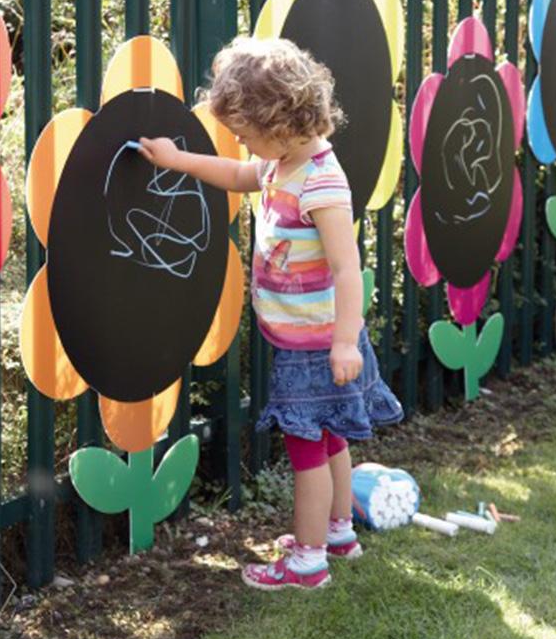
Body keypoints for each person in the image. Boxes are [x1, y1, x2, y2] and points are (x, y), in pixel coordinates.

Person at [137, 36, 403, 590]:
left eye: (245, 133)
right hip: (307, 340)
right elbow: (236, 177)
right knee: (330, 439)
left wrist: (346, 343)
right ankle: (337, 532)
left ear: (279, 121)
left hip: (319, 345)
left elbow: (348, 268)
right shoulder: (280, 164)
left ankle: (307, 561)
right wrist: (177, 160)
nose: (242, 144)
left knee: (307, 450)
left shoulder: (320, 181)